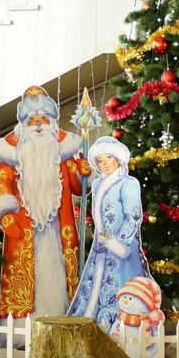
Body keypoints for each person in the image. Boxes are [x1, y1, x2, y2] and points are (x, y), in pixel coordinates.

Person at [0, 86, 88, 320]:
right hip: (24, 229)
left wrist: (83, 173)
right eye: (33, 120)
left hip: (59, 227)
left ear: (52, 122)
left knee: (64, 274)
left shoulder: (61, 153)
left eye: (43, 119)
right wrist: (6, 213)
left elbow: (77, 186)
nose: (39, 124)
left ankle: (65, 318)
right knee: (23, 273)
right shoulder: (11, 156)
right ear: (24, 124)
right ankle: (21, 329)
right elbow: (3, 183)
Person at [66, 136, 156, 333]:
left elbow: (133, 215)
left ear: (118, 158)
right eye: (100, 160)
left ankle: (121, 330)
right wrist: (102, 239)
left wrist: (118, 243)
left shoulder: (128, 183)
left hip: (122, 247)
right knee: (93, 289)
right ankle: (94, 326)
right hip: (100, 246)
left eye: (108, 158)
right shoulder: (97, 185)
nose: (104, 163)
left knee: (121, 288)